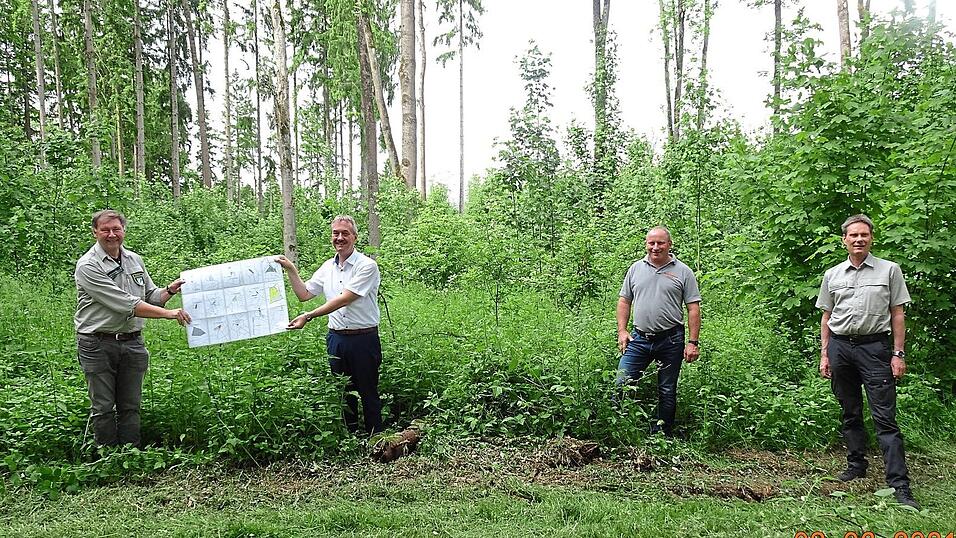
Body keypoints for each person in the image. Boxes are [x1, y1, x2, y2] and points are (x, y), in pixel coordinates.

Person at [816, 214, 919, 510]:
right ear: (844, 240)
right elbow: (826, 316)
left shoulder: (889, 270)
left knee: (885, 419)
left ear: (871, 238)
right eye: (853, 235)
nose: (859, 239)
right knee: (850, 412)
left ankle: (900, 485)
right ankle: (856, 465)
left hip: (875, 348)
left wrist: (898, 354)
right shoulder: (832, 274)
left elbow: (897, 314)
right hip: (840, 348)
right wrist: (825, 353)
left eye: (864, 235)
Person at [74, 209, 191, 447]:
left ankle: (131, 454)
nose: (111, 234)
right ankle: (107, 457)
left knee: (131, 405)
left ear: (124, 230)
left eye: (116, 229)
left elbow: (150, 296)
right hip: (97, 343)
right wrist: (169, 314)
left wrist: (170, 290)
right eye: (105, 230)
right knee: (103, 406)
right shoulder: (88, 265)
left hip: (132, 342)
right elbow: (126, 304)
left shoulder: (134, 259)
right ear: (95, 232)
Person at [277, 215, 383, 436]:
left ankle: (377, 440)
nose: (340, 238)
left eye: (345, 233)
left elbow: (345, 299)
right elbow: (304, 294)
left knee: (368, 392)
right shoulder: (327, 267)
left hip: (363, 339)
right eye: (336, 233)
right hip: (336, 339)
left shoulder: (367, 266)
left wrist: (308, 316)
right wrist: (291, 269)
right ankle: (351, 439)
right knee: (343, 393)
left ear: (355, 237)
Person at [616, 226, 701, 436]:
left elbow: (693, 308)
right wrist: (622, 331)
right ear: (646, 244)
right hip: (639, 339)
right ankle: (620, 430)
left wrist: (693, 342)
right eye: (651, 243)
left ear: (669, 245)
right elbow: (624, 301)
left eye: (660, 243)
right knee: (622, 383)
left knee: (666, 389)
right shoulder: (635, 269)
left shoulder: (683, 271)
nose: (655, 247)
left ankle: (662, 435)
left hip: (671, 339)